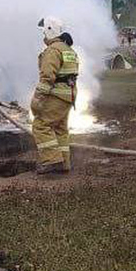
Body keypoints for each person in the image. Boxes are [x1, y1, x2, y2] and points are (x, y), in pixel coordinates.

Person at [31, 16, 79, 175]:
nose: (43, 37)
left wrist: (38, 99)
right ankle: (64, 163)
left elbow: (47, 77)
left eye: (44, 33)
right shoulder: (69, 50)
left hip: (57, 95)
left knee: (41, 125)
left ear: (50, 31)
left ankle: (52, 161)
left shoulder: (53, 50)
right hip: (68, 95)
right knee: (60, 128)